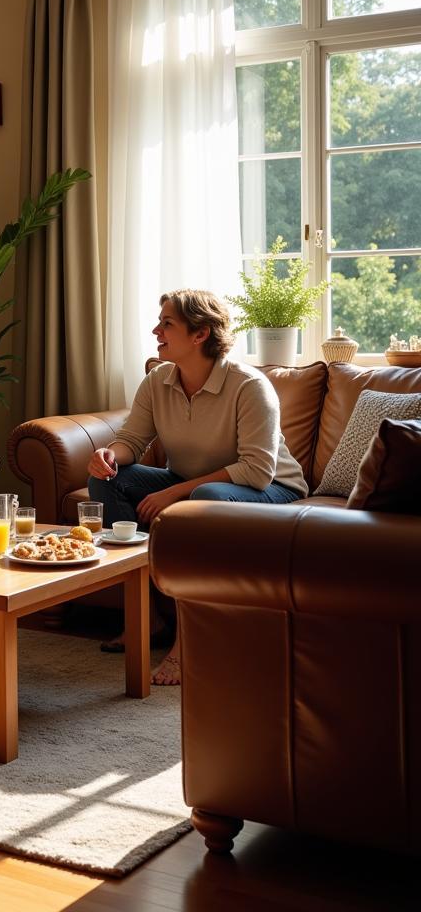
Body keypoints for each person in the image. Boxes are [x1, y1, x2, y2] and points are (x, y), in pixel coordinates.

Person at [86, 290, 308, 686]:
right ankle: (148, 616)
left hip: (273, 489)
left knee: (203, 501)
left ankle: (189, 640)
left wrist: (175, 493)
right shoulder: (158, 380)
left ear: (200, 334)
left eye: (167, 323)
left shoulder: (249, 386)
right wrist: (109, 455)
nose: (156, 330)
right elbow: (132, 441)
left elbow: (257, 470)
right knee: (105, 480)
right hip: (199, 485)